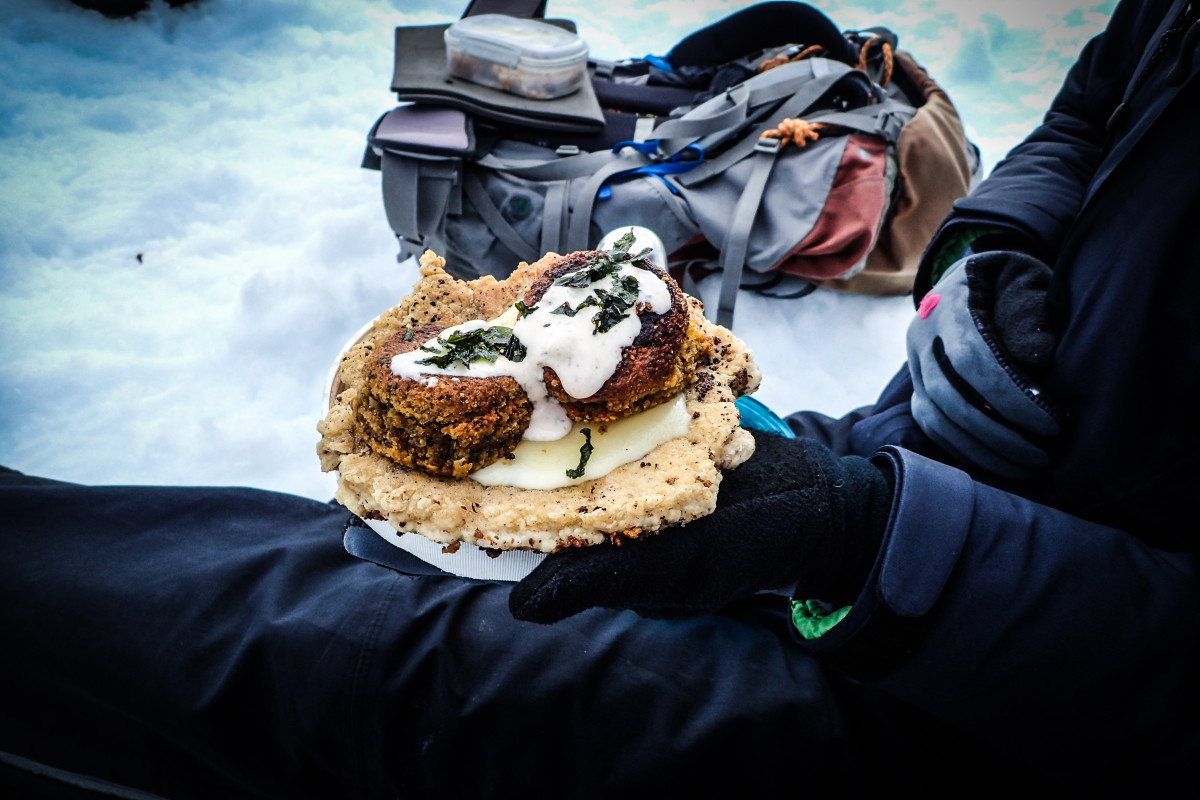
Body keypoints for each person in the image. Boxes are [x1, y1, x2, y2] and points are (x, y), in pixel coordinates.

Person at [2, 0, 1197, 797]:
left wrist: (864, 541)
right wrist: (990, 251)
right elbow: (1100, 93)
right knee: (364, 565)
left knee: (391, 659)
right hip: (926, 462)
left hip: (1001, 684)